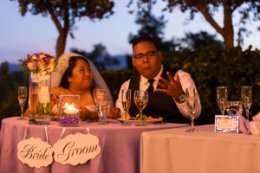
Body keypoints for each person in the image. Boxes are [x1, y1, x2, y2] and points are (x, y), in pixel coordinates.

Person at [115, 35, 201, 123]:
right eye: (140, 56)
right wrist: (114, 114)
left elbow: (195, 114)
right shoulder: (127, 85)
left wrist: (180, 96)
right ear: (133, 61)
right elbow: (121, 116)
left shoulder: (180, 78)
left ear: (160, 56)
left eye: (150, 54)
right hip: (138, 136)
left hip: (174, 135)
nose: (145, 60)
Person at [51, 53, 120, 121]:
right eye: (82, 70)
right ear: (69, 77)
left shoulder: (97, 93)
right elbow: (44, 114)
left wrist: (91, 114)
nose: (88, 74)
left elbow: (111, 113)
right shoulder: (56, 93)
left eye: (89, 70)